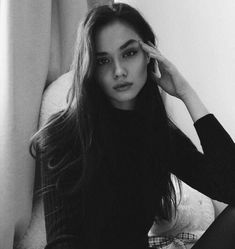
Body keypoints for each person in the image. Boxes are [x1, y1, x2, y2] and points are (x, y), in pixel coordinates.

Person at [30, 2, 235, 249]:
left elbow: (229, 186)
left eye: (129, 53)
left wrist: (186, 92)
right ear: (90, 69)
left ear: (149, 56)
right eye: (103, 60)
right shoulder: (63, 135)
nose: (119, 71)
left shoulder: (156, 131)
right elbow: (63, 242)